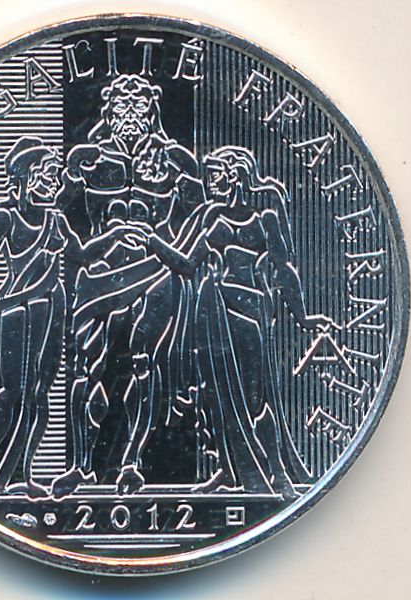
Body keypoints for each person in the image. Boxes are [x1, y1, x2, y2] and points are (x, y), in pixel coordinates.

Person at [0, 137, 141, 501]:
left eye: (55, 175)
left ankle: (22, 473)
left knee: (39, 394)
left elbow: (81, 255)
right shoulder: (3, 218)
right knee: (11, 391)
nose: (53, 182)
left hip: (51, 311)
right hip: (15, 312)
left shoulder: (55, 220)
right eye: (47, 174)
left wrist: (116, 234)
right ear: (25, 176)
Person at [142, 145, 333, 498]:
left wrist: (303, 316)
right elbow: (187, 265)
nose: (209, 183)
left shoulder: (265, 219)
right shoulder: (216, 222)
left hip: (251, 313)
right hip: (216, 311)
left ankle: (277, 473)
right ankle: (228, 472)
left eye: (215, 175)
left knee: (257, 398)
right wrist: (153, 241)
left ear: (234, 176)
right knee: (215, 395)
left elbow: (285, 270)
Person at [51, 74, 207, 498]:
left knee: (142, 361)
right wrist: (88, 246)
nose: (130, 114)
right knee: (86, 369)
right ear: (108, 110)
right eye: (122, 106)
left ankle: (132, 463)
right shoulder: (86, 158)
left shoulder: (177, 161)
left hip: (153, 272)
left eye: (138, 107)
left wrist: (170, 250)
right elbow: (56, 214)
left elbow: (202, 219)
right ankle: (82, 467)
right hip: (98, 275)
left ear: (152, 111)